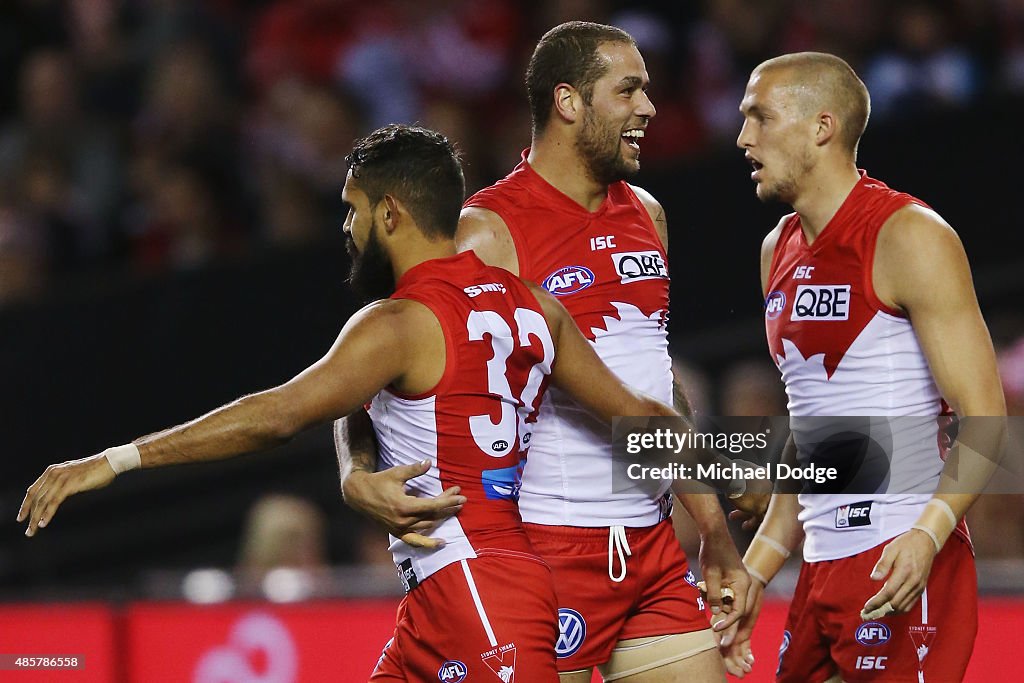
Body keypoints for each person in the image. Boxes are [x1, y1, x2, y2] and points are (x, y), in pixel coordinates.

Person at [16, 124, 711, 682]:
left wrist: (118, 458)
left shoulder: (397, 323)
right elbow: (645, 417)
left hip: (477, 595)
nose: (345, 227)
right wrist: (733, 496)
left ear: (390, 212)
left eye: (351, 209)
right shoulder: (536, 308)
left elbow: (278, 415)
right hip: (455, 598)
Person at [339, 22, 751, 682]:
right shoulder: (484, 231)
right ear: (568, 102)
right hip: (547, 552)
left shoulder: (647, 213)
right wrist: (354, 472)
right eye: (629, 91)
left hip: (651, 547)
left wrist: (711, 525)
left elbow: (655, 384)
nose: (648, 108)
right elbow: (369, 374)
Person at [722, 52, 1006, 682]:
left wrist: (928, 536)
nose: (743, 138)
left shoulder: (910, 235)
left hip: (899, 556)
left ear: (821, 127)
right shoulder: (777, 250)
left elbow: (985, 415)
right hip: (821, 569)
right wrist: (757, 570)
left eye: (760, 118)